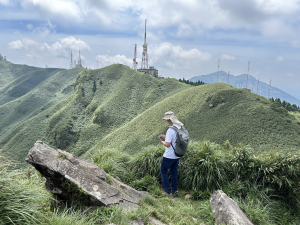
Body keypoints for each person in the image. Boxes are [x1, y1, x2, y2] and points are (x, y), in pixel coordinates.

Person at [159, 111, 184, 196]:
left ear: (169, 120)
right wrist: (165, 136)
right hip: (177, 155)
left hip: (168, 156)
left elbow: (168, 144)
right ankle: (174, 190)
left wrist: (162, 141)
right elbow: (175, 138)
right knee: (174, 173)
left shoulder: (170, 129)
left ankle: (167, 190)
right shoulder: (179, 128)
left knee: (164, 171)